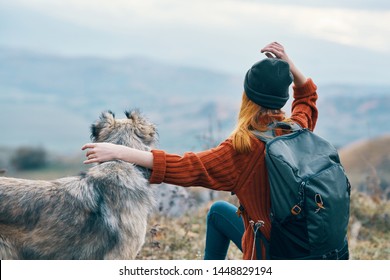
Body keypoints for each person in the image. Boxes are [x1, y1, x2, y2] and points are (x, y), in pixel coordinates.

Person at [82, 42, 319, 260]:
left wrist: (120, 151)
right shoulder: (297, 129)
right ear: (282, 99)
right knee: (219, 211)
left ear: (247, 97)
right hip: (305, 246)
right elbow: (307, 99)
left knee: (219, 214)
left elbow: (186, 166)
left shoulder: (243, 148)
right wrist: (289, 66)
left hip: (271, 255)